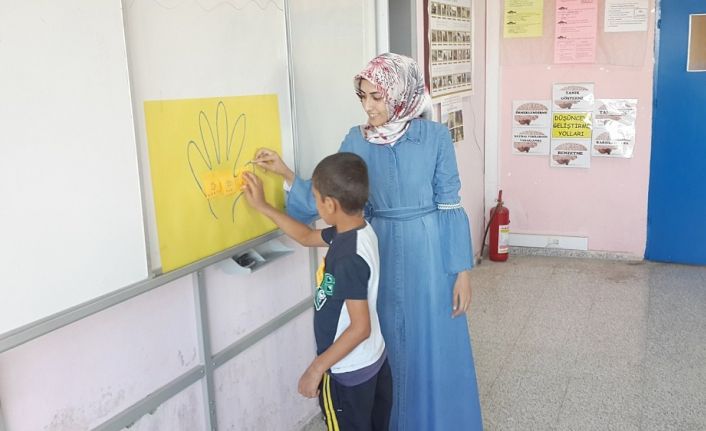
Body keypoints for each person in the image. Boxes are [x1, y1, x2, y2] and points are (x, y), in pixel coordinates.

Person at [253, 52, 482, 429]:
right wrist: (287, 175)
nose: (368, 106)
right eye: (363, 97)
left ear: (400, 93)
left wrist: (460, 271)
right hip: (380, 250)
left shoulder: (435, 137)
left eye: (377, 97)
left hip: (429, 255)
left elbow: (449, 203)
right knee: (384, 339)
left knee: (432, 345)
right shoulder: (354, 140)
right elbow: (331, 190)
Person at [241, 153, 392, 431]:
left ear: (330, 204)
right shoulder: (356, 230)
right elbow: (306, 236)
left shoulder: (348, 257)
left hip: (347, 374)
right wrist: (263, 206)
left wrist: (316, 369)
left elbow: (360, 328)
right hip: (372, 363)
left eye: (315, 197)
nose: (314, 202)